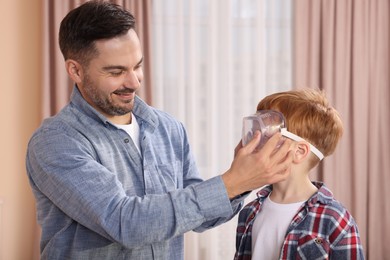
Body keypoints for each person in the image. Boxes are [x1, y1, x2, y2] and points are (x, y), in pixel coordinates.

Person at [25, 1, 295, 259]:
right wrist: (233, 182)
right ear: (75, 70)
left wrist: (246, 178)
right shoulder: (56, 141)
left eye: (138, 66)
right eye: (116, 71)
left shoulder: (168, 128)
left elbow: (201, 217)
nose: (133, 81)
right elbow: (125, 223)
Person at [234, 89, 365, 259]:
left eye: (268, 133)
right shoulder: (249, 213)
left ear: (299, 151)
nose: (255, 138)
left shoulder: (334, 219)